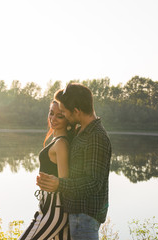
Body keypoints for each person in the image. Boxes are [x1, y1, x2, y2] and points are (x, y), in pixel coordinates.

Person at [36, 83, 112, 240]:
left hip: (85, 218)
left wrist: (59, 184)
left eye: (63, 112)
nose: (62, 114)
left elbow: (93, 183)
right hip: (76, 216)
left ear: (76, 111)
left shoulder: (96, 137)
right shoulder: (81, 132)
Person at [19, 100, 73, 240]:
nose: (53, 118)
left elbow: (64, 181)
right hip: (51, 208)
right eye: (51, 113)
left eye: (60, 116)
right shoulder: (57, 140)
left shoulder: (61, 143)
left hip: (54, 210)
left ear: (68, 119)